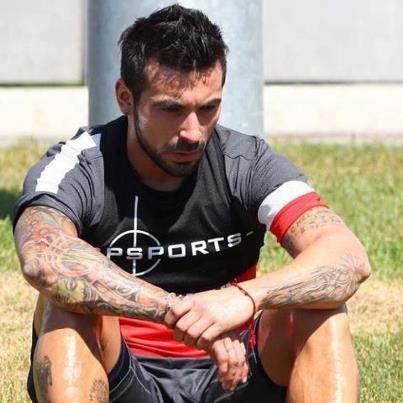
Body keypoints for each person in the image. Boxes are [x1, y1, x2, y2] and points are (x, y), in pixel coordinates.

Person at [14, 5, 371, 403]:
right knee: (66, 301)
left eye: (208, 108)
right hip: (123, 374)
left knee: (318, 306)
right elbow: (45, 259)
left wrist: (246, 298)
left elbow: (347, 257)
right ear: (125, 98)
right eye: (171, 109)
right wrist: (176, 311)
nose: (193, 132)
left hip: (235, 372)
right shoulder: (80, 166)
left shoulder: (245, 162)